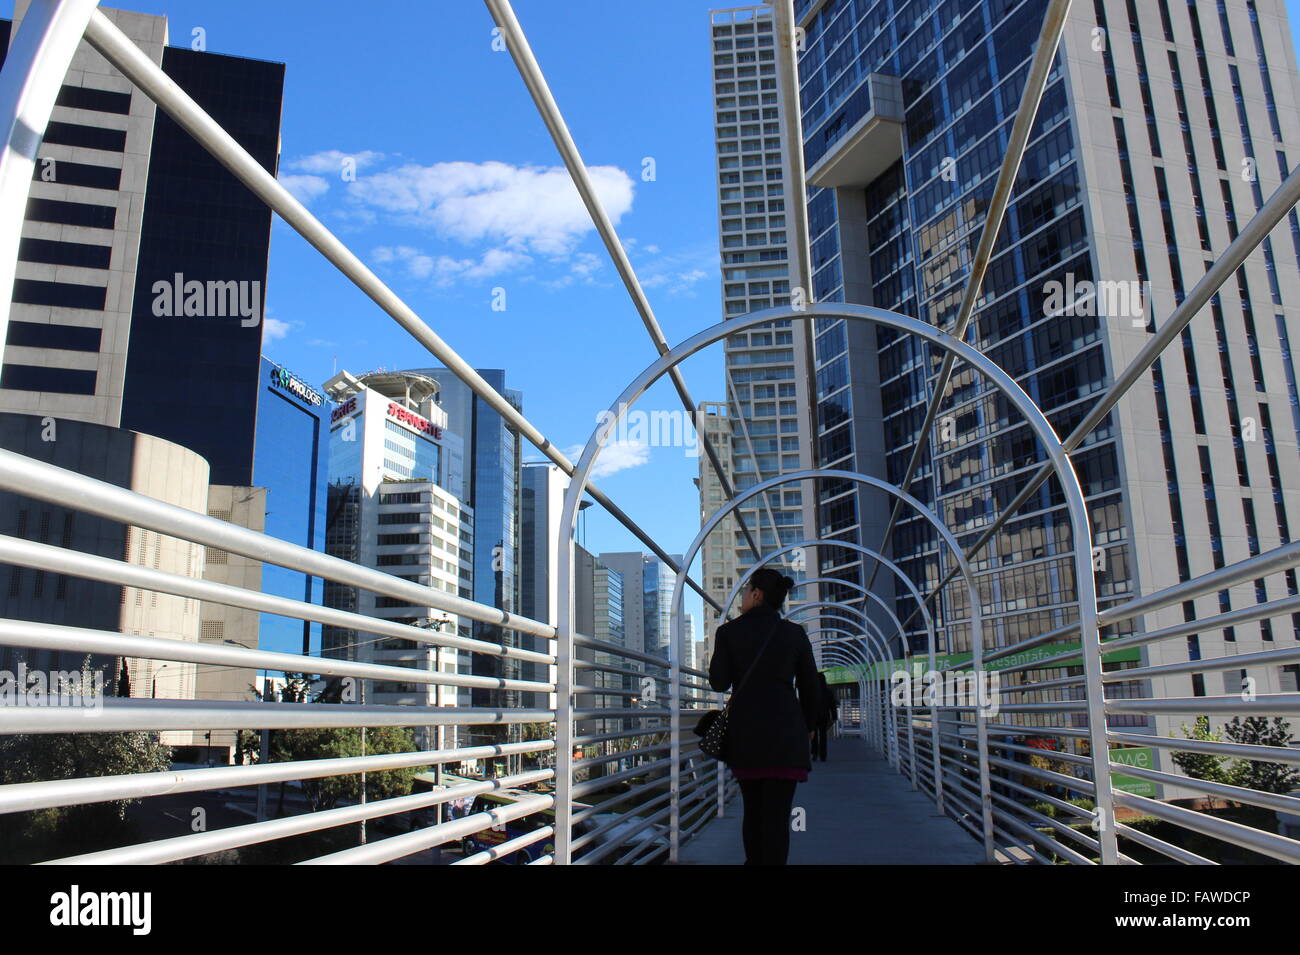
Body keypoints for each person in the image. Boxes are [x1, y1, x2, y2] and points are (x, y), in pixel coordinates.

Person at [709, 568, 821, 865]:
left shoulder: (728, 633)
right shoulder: (795, 634)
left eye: (746, 590)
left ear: (757, 594)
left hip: (746, 738)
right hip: (787, 737)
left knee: (753, 812)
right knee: (777, 818)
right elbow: (810, 687)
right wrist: (809, 727)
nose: (743, 596)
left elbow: (718, 682)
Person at [811, 672, 837, 762]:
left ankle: (814, 753)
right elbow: (832, 705)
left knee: (813, 736)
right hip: (824, 716)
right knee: (823, 736)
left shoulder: (812, 691)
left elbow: (808, 704)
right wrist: (834, 716)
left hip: (814, 716)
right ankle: (823, 755)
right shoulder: (828, 691)